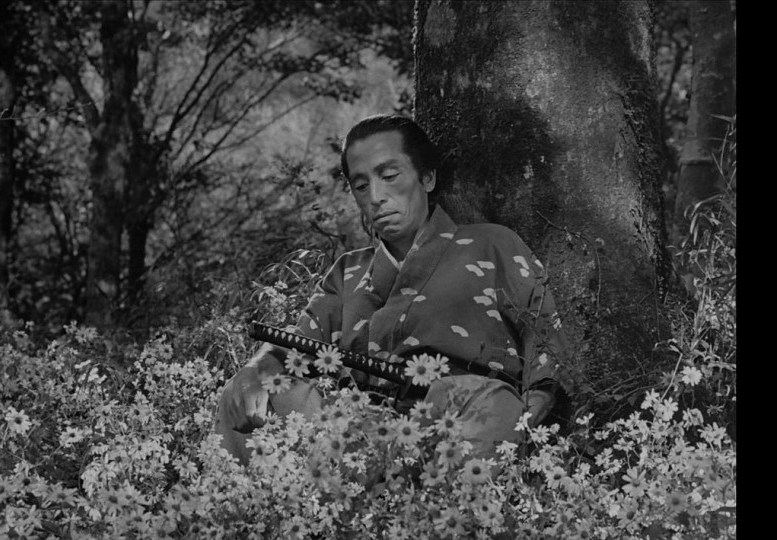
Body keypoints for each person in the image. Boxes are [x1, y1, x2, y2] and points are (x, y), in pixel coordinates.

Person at [214, 114, 570, 464]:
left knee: (491, 402)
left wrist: (531, 417)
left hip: (458, 421)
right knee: (251, 391)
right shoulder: (348, 271)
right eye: (361, 186)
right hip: (357, 434)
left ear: (427, 177)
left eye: (389, 176)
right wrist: (253, 371)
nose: (376, 197)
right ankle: (288, 495)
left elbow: (545, 341)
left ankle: (447, 496)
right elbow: (292, 347)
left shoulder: (491, 244)